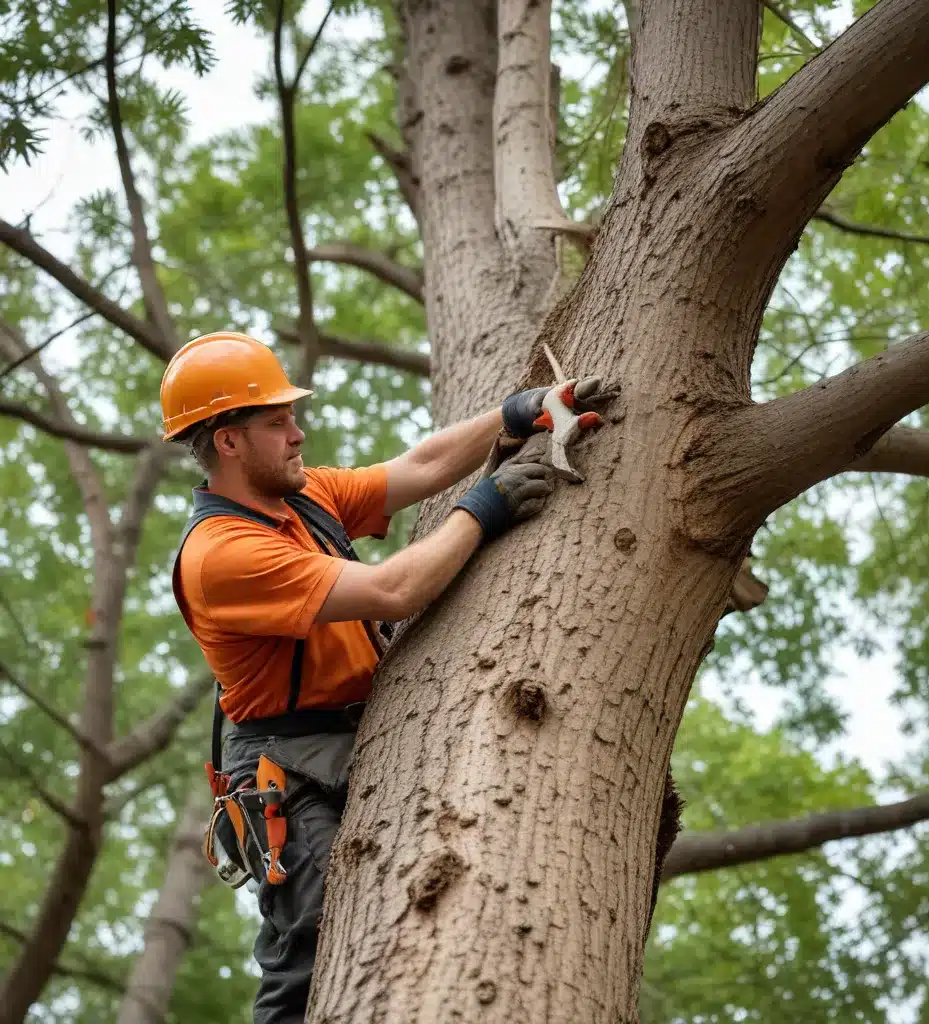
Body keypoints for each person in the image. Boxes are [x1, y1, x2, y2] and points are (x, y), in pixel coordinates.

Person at [162, 330, 606, 1023]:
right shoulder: (221, 555)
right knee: (315, 942)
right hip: (286, 766)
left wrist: (519, 412)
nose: (297, 433)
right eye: (278, 422)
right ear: (228, 440)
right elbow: (395, 590)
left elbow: (422, 463)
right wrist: (484, 506)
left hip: (356, 733)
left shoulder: (301, 499)